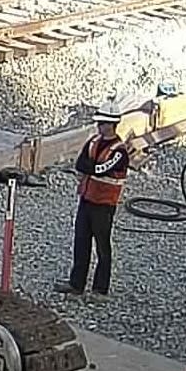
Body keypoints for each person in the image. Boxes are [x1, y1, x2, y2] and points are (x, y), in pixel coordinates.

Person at [56, 101, 131, 296]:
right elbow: (81, 163)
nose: (98, 126)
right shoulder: (93, 142)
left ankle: (100, 288)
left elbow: (99, 169)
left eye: (102, 123)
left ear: (111, 124)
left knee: (102, 247)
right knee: (81, 242)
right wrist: (88, 168)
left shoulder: (119, 151)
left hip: (104, 204)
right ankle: (76, 284)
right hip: (87, 198)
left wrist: (88, 168)